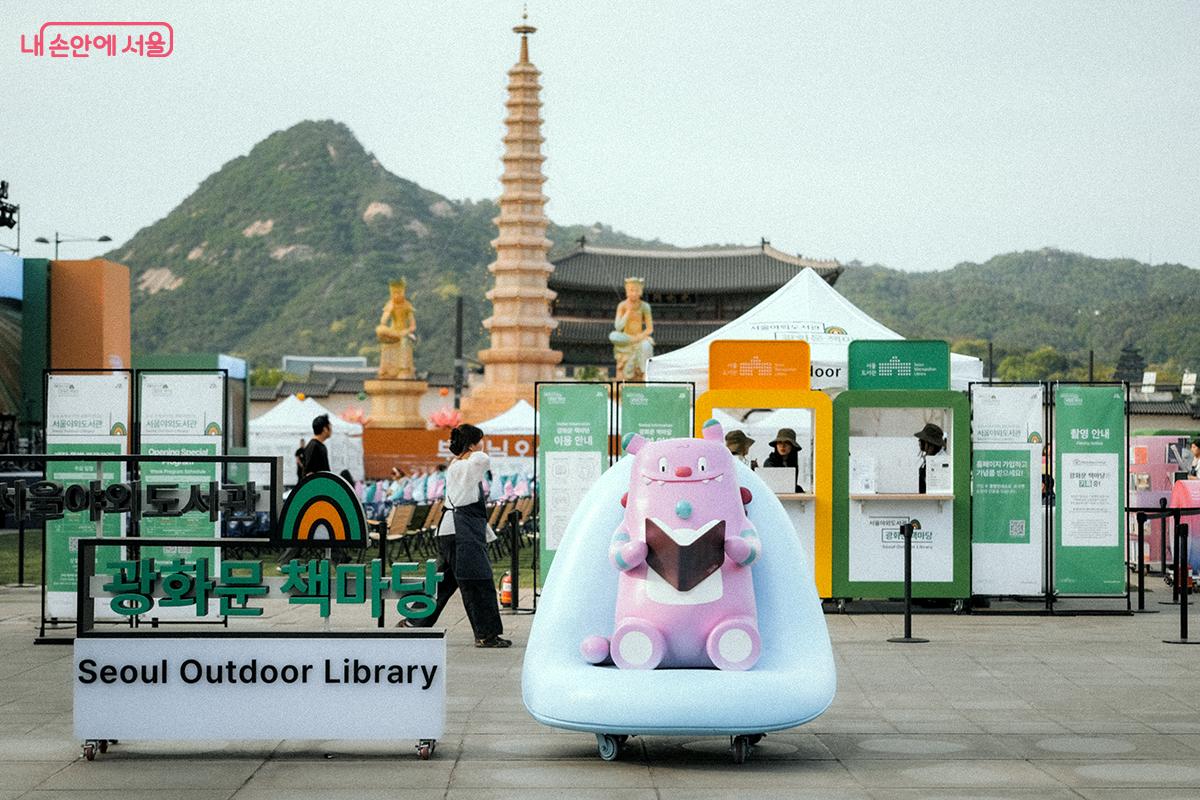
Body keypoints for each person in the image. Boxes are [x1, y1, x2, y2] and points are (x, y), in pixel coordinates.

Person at [403, 423, 510, 648]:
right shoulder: (464, 466)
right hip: (461, 534)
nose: (482, 446)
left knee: (444, 583)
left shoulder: (459, 466)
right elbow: (482, 459)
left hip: (455, 531)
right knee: (477, 581)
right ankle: (485, 634)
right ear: (472, 443)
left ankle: (415, 622)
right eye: (479, 441)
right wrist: (472, 449)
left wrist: (468, 448)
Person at [278, 415, 334, 566]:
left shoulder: (319, 446)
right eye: (330, 426)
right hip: (314, 496)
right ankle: (285, 561)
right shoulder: (314, 446)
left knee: (326, 526)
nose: (332, 429)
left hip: (320, 494)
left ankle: (339, 559)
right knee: (304, 529)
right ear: (324, 428)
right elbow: (308, 473)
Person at [609, 277, 654, 381]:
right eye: (631, 290)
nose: (634, 293)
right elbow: (618, 327)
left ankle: (644, 373)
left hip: (639, 336)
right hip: (626, 337)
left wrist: (639, 337)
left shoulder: (645, 306)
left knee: (647, 345)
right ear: (627, 291)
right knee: (613, 335)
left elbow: (650, 328)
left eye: (636, 290)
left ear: (640, 292)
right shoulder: (622, 306)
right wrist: (627, 313)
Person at [764, 427, 804, 492]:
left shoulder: (792, 463)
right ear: (776, 445)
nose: (783, 446)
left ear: (792, 446)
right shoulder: (769, 462)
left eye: (787, 442)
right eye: (779, 442)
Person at [914, 423, 946, 494]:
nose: (919, 442)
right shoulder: (930, 458)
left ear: (928, 443)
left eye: (921, 440)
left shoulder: (941, 460)